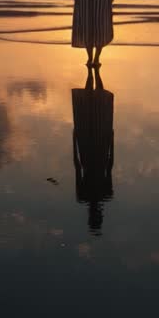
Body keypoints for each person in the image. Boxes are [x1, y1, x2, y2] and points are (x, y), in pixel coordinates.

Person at [72, 66, 114, 234]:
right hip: (97, 149)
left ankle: (93, 72)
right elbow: (109, 166)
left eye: (95, 216)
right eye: (98, 216)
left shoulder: (84, 196)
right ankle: (94, 72)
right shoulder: (105, 194)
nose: (96, 213)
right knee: (99, 107)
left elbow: (77, 166)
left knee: (96, 107)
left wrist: (74, 139)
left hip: (89, 149)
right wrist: (112, 140)